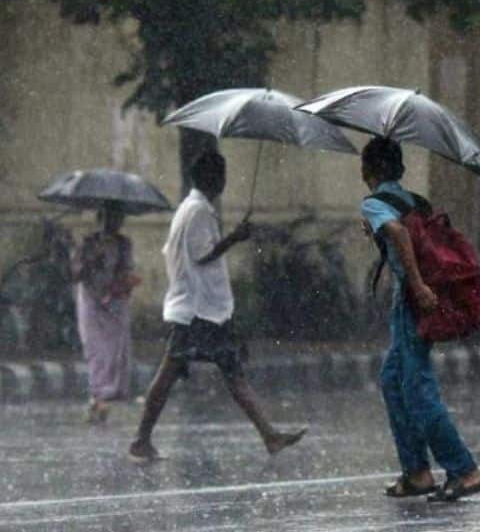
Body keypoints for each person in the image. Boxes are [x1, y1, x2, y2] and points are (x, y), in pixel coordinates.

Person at [128, 152, 306, 462]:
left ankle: (269, 435)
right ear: (213, 178)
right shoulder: (198, 211)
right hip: (197, 312)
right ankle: (141, 439)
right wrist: (235, 238)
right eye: (222, 175)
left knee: (228, 372)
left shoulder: (192, 208)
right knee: (175, 374)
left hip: (201, 310)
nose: (224, 181)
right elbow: (202, 254)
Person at [359, 137, 480, 502]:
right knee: (392, 380)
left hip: (411, 300)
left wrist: (416, 285)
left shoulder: (374, 202)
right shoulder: (415, 200)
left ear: (368, 170)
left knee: (417, 389)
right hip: (415, 297)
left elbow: (399, 234)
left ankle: (465, 470)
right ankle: (416, 472)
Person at [72, 202, 139, 423]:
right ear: (101, 218)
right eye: (111, 217)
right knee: (96, 349)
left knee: (114, 350)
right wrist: (92, 259)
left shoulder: (123, 244)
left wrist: (121, 282)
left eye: (118, 218)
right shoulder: (87, 242)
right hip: (91, 300)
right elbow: (75, 272)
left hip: (114, 302)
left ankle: (106, 396)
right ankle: (98, 395)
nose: (115, 223)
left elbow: (128, 269)